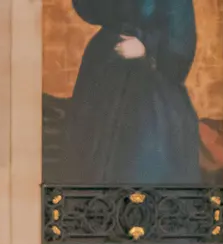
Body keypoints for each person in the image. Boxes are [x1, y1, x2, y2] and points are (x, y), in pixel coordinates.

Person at [57, 0, 204, 186]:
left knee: (140, 156)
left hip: (151, 78)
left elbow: (181, 40)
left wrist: (146, 47)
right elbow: (90, 11)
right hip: (106, 66)